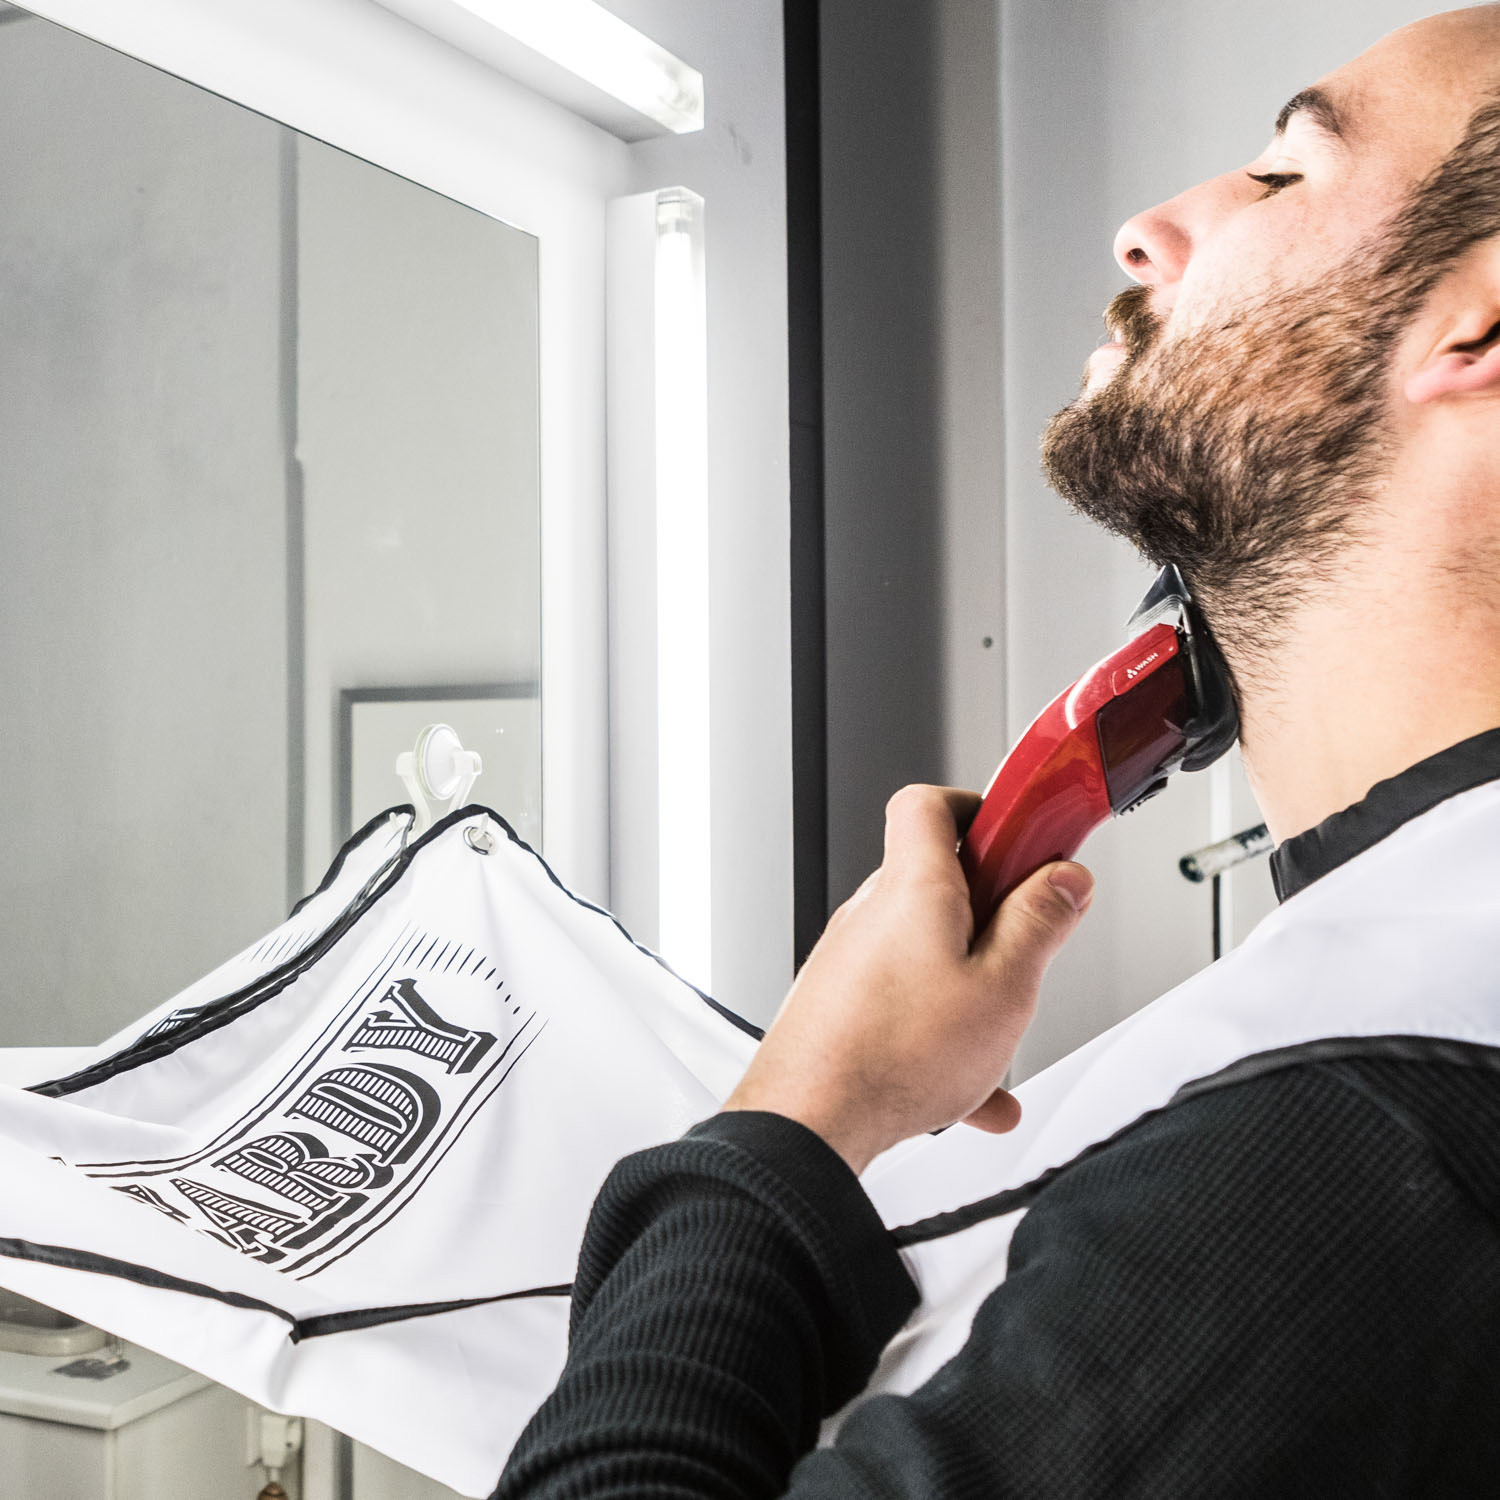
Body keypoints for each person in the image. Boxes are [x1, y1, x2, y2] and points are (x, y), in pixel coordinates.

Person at [496, 9, 1500, 1495]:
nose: (1149, 231)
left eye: (1282, 178)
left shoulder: (1358, 1155)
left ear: (1476, 329)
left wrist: (796, 1119)